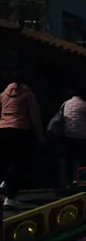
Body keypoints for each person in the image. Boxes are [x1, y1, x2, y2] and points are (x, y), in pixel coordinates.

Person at [0, 68, 44, 210]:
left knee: (5, 161)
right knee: (19, 163)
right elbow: (35, 116)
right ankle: (10, 196)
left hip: (3, 129)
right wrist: (40, 135)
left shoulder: (3, 95)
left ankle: (4, 182)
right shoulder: (28, 94)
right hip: (20, 131)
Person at [60, 87, 86, 187]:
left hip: (67, 136)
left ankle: (68, 182)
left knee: (69, 160)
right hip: (80, 137)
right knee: (83, 159)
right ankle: (82, 180)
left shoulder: (65, 103)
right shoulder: (84, 105)